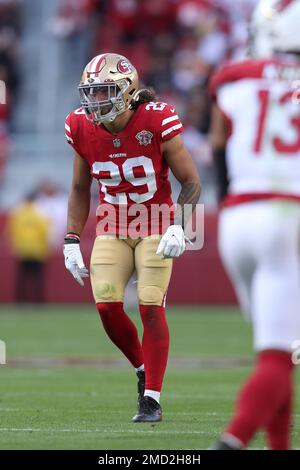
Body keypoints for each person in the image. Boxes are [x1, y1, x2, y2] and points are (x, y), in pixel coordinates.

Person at [63, 52, 201, 422]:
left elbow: (190, 181)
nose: (95, 101)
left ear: (127, 90)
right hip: (112, 224)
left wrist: (180, 225)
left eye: (104, 91)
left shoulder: (156, 119)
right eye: (90, 92)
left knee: (149, 305)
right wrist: (72, 238)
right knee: (107, 306)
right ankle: (142, 369)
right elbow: (79, 187)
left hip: (156, 221)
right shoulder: (79, 126)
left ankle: (152, 399)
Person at [210, 0, 300, 450]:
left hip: (237, 216)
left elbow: (219, 145)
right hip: (289, 217)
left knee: (278, 351)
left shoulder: (234, 80)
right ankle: (233, 441)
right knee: (278, 355)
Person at [7, 192, 51, 303]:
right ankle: (38, 300)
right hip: (37, 250)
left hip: (23, 250)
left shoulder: (19, 214)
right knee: (38, 278)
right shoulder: (40, 214)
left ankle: (21, 300)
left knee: (22, 278)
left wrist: (15, 246)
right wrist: (46, 248)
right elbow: (45, 232)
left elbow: (11, 232)